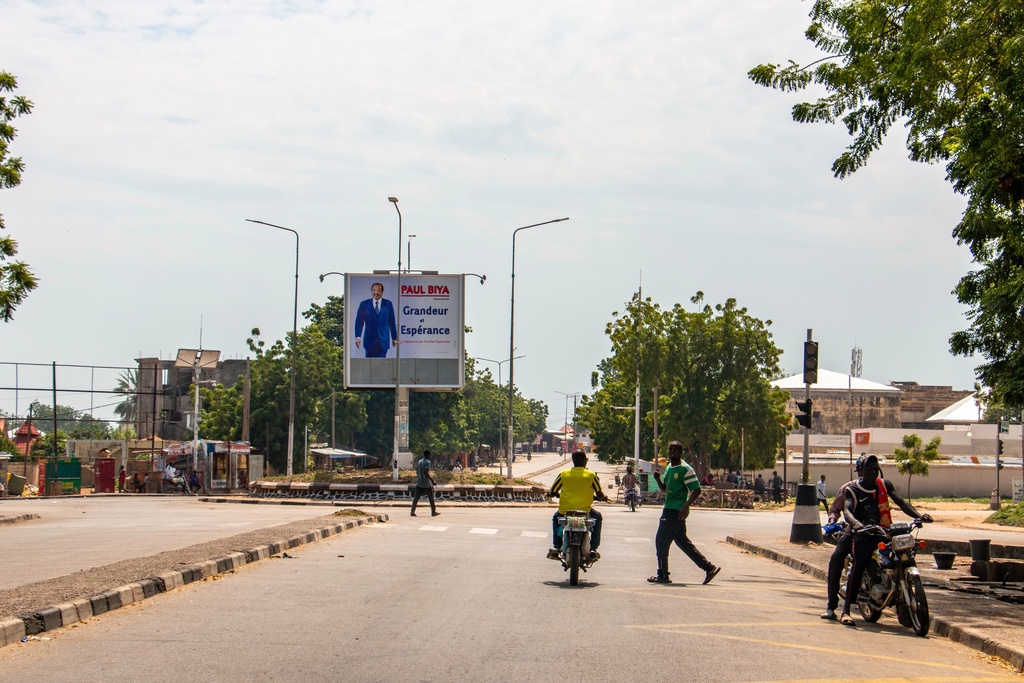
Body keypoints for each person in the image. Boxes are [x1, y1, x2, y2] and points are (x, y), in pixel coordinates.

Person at [836, 454, 932, 626]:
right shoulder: (853, 489)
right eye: (869, 469)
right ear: (861, 471)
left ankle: (903, 602)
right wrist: (858, 525)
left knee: (903, 558)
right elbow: (847, 511)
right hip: (864, 534)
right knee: (858, 566)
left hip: (884, 532)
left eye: (876, 469)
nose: (873, 472)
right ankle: (846, 611)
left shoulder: (884, 485)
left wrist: (919, 517)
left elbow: (901, 503)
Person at [648, 441, 721, 585]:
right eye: (670, 449)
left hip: (675, 510)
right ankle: (709, 567)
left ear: (681, 452)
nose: (672, 452)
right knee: (683, 542)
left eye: (675, 450)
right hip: (669, 506)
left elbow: (696, 489)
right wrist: (657, 479)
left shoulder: (685, 469)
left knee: (661, 541)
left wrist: (685, 506)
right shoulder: (669, 468)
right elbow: (665, 490)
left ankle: (663, 574)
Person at [547, 449, 607, 560]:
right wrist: (603, 498)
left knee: (556, 518)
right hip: (585, 512)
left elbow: (553, 491)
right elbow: (599, 493)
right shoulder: (591, 475)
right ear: (585, 461)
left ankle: (557, 547)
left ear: (573, 460)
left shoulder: (563, 474)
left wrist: (549, 494)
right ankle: (593, 548)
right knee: (597, 517)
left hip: (565, 511)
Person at [353, 282, 398, 358]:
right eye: (374, 290)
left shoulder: (388, 304)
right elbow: (359, 322)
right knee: (369, 366)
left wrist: (394, 338)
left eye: (379, 290)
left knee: (382, 365)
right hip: (369, 341)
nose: (376, 292)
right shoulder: (364, 304)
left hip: (383, 341)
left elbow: (392, 322)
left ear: (382, 292)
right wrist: (358, 336)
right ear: (371, 291)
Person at [410, 449, 440, 517]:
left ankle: (412, 511)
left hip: (419, 482)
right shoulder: (428, 462)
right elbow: (426, 472)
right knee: (431, 498)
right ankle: (433, 512)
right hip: (426, 483)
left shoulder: (420, 461)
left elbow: (417, 471)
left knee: (416, 498)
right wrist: (432, 480)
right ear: (428, 455)